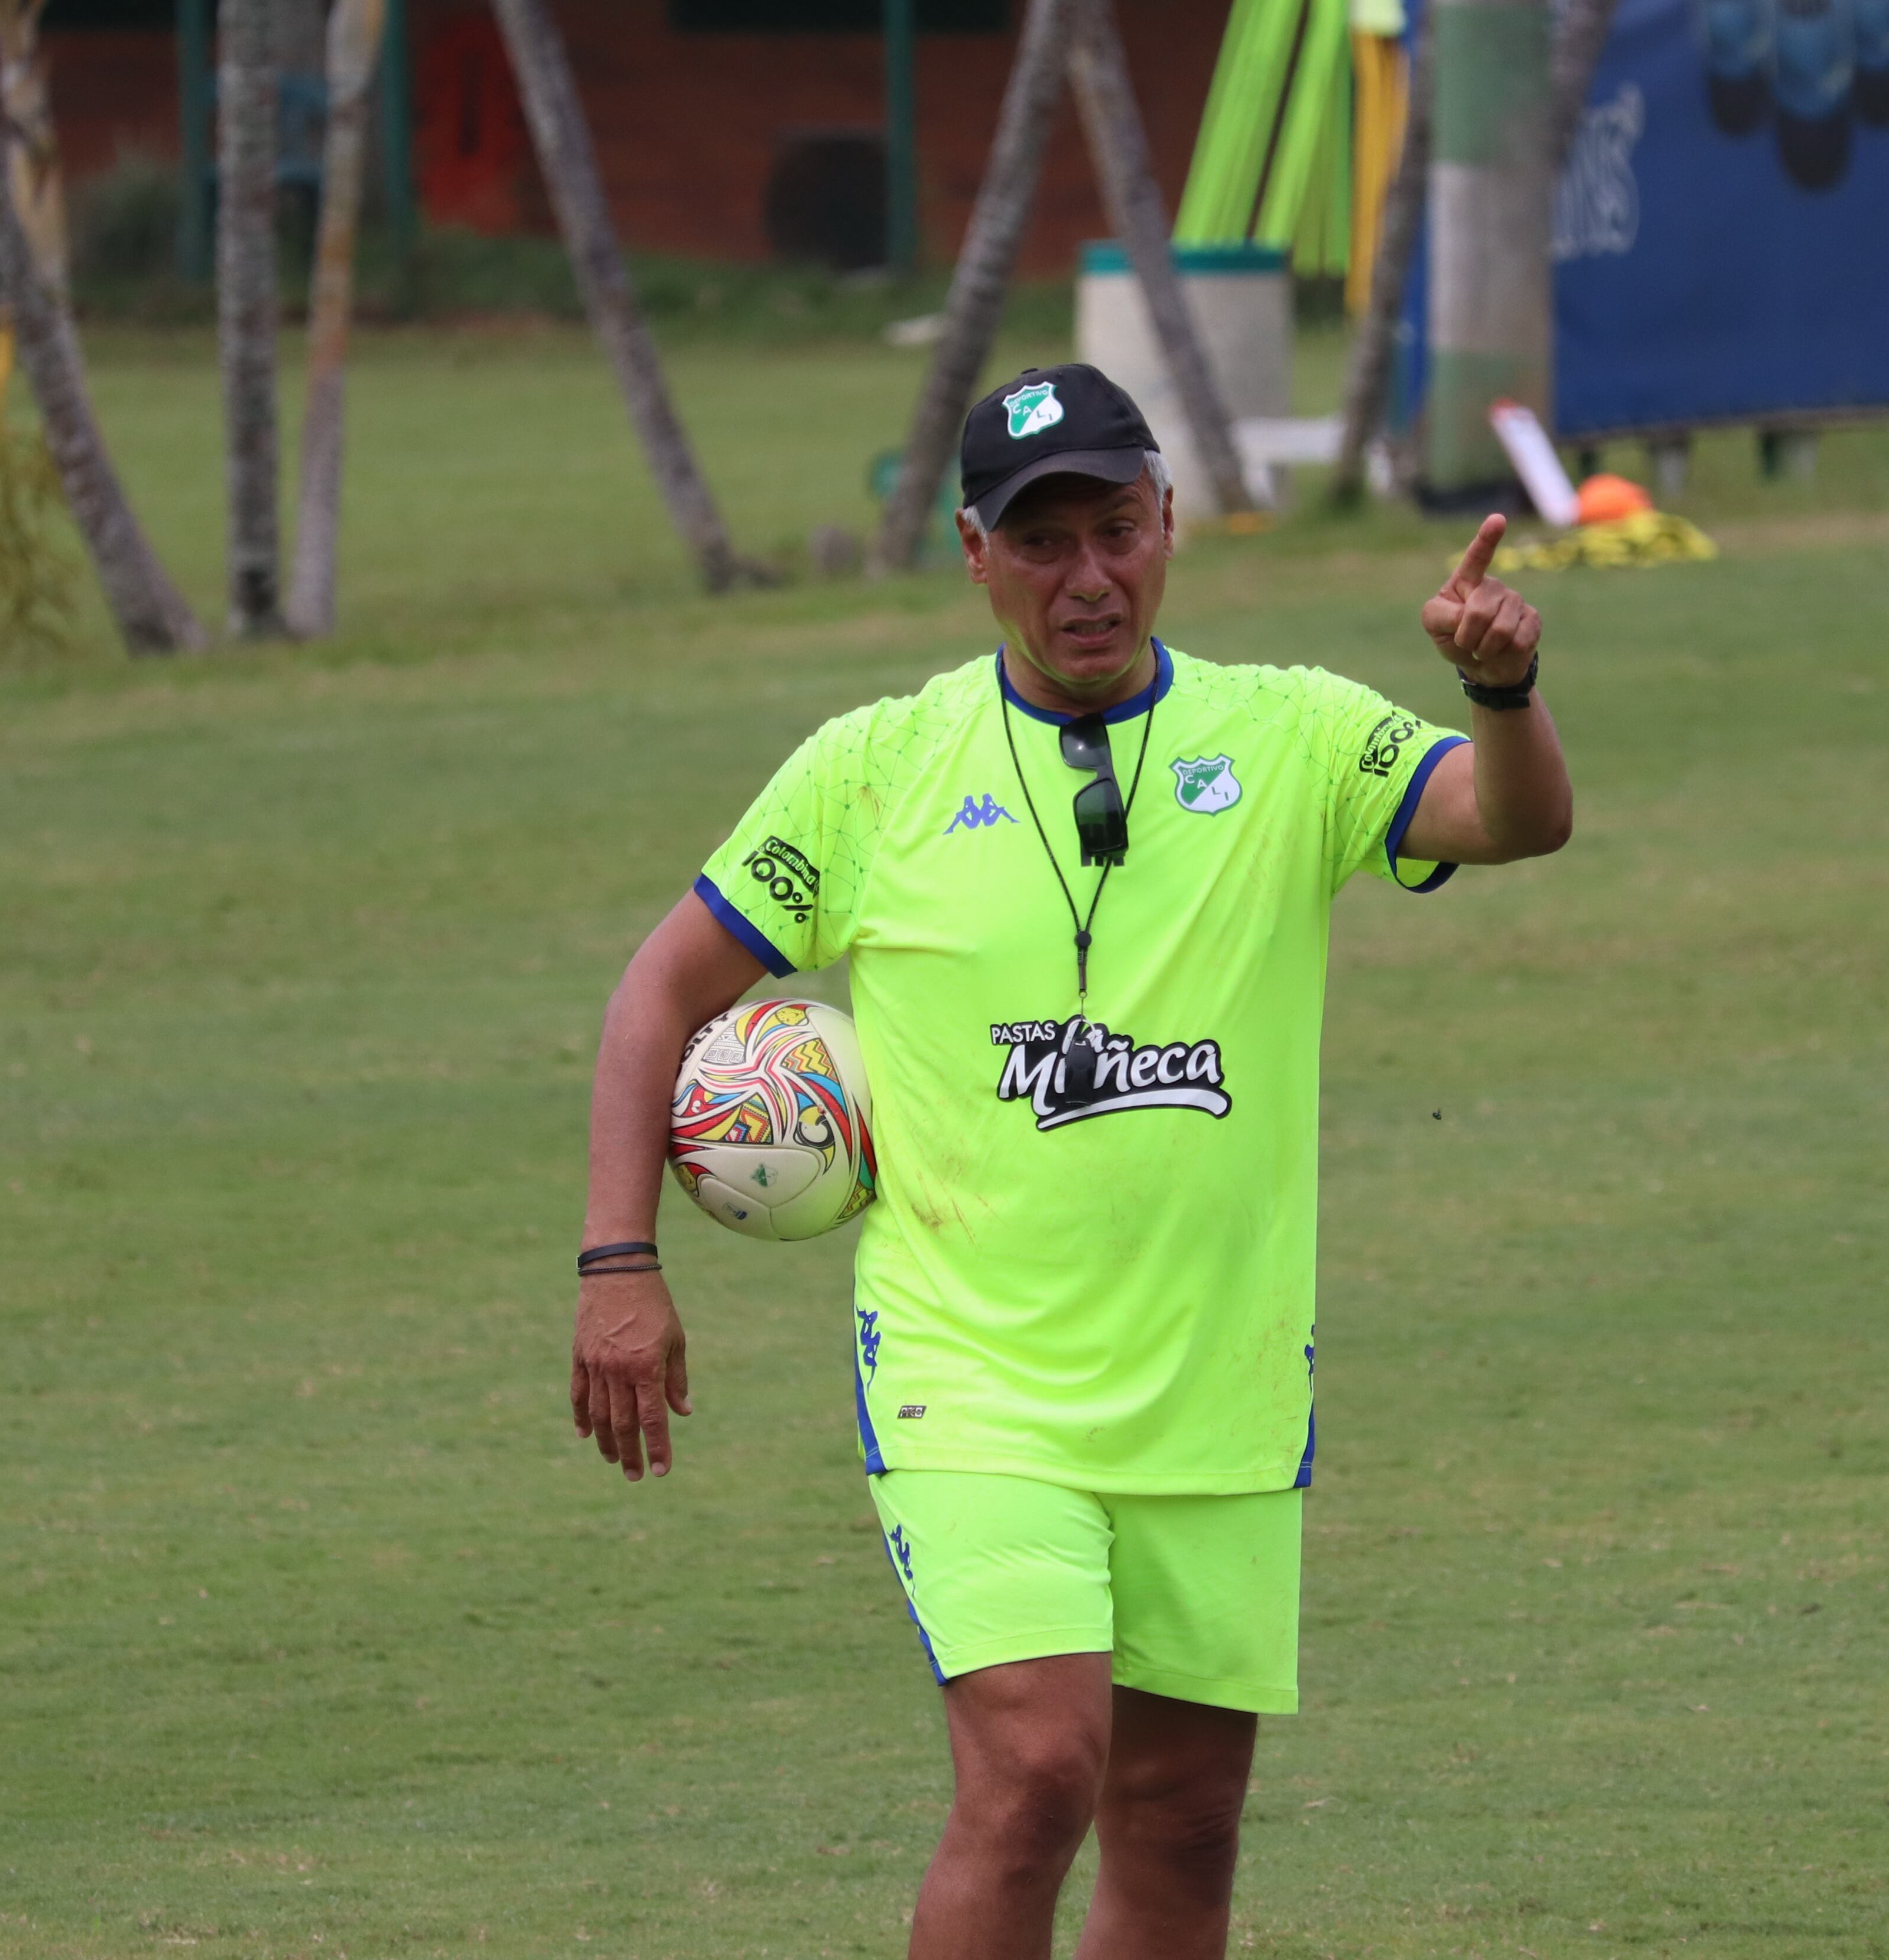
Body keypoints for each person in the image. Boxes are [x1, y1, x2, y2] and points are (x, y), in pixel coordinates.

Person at [568, 364, 1572, 1959]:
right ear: (976, 554)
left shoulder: (1295, 733)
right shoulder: (873, 770)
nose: (1087, 574)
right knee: (1038, 1772)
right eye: (1042, 541)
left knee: (1182, 1823)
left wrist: (1503, 698)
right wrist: (619, 1262)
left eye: (1116, 527)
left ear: (1170, 522)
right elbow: (659, 992)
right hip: (974, 1384)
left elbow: (1510, 822)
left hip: (1216, 1387)